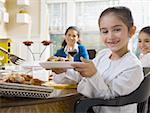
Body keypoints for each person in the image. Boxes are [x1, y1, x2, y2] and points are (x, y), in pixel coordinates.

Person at [52, 6, 144, 113]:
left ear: (131, 31)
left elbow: (108, 97)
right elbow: (82, 77)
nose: (110, 36)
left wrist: (93, 74)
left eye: (117, 29)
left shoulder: (133, 67)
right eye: (105, 31)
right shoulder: (103, 55)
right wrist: (64, 71)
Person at [137, 26, 150, 113]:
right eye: (140, 41)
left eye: (147, 41)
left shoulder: (148, 57)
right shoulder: (143, 56)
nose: (142, 45)